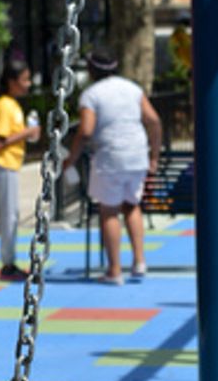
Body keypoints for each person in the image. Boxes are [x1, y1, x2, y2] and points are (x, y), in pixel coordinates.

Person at [67, 45, 162, 283]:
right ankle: (139, 261)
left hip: (110, 156)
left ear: (90, 69)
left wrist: (72, 157)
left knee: (109, 211)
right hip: (137, 153)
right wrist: (154, 156)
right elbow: (153, 120)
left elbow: (86, 130)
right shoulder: (132, 89)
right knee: (132, 205)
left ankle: (114, 270)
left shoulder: (91, 95)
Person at [0, 49, 40, 279]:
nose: (28, 83)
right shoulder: (4, 105)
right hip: (3, 163)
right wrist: (27, 132)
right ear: (12, 82)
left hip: (8, 163)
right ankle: (8, 262)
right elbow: (0, 140)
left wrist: (26, 133)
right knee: (10, 214)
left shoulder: (11, 103)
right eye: (24, 79)